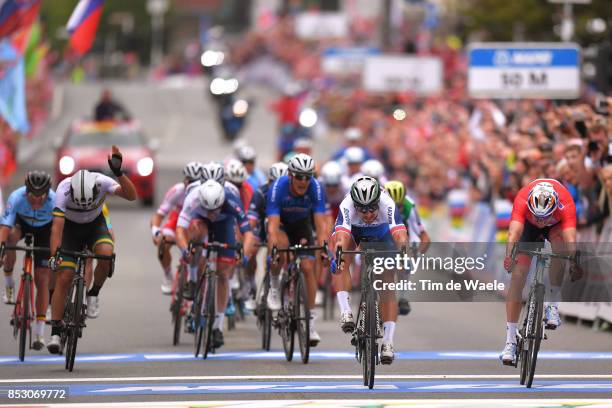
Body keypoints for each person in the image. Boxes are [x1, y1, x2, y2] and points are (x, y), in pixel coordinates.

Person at [47, 146, 137, 354]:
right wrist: (54, 256)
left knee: (106, 254)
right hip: (70, 229)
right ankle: (55, 331)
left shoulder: (102, 181)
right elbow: (57, 228)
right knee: (64, 276)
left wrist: (119, 173)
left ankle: (94, 292)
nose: (85, 204)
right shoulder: (63, 189)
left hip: (95, 226)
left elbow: (131, 196)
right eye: (81, 203)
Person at [500, 179, 580, 365]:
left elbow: (570, 238)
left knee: (560, 248)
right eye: (538, 217)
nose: (541, 222)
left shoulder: (565, 202)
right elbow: (514, 233)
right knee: (518, 276)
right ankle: (510, 341)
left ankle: (552, 304)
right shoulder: (522, 199)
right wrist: (508, 256)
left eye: (544, 217)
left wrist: (574, 261)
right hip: (527, 229)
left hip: (556, 226)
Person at [331, 176, 408, 364]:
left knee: (387, 283)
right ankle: (346, 311)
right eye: (362, 209)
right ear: (355, 204)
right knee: (342, 256)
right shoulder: (347, 204)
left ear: (377, 202)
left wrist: (403, 255)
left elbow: (399, 234)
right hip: (354, 232)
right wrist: (338, 254)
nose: (367, 214)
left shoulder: (386, 202)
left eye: (372, 208)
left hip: (382, 233)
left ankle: (388, 342)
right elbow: (341, 236)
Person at [176, 180, 255, 349]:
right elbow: (180, 230)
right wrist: (185, 250)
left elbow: (248, 234)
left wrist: (245, 256)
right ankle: (194, 273)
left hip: (224, 225)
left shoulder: (231, 199)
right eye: (208, 209)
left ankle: (217, 326)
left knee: (223, 274)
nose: (212, 213)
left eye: (215, 209)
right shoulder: (193, 198)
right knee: (198, 230)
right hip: (200, 222)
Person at [266, 153, 328, 346]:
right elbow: (272, 227)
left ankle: (310, 322)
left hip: (302, 224)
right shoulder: (278, 188)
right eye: (299, 176)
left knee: (309, 267)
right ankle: (275, 284)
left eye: (308, 177)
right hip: (282, 224)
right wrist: (274, 249)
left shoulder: (316, 188)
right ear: (291, 175)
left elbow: (321, 224)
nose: (304, 181)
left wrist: (324, 248)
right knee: (280, 250)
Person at [0, 171, 54, 350]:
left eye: (41, 196)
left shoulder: (55, 201)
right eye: (32, 195)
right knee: (10, 240)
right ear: (26, 192)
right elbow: (5, 226)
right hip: (21, 224)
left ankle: (39, 333)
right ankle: (9, 283)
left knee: (42, 278)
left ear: (48, 193)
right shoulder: (16, 197)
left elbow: (59, 230)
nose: (37, 200)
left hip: (45, 229)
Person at [150, 162, 203, 294]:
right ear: (184, 179)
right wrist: (156, 231)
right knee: (163, 241)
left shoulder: (204, 192)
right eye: (190, 180)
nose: (192, 184)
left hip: (194, 223)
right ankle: (168, 275)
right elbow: (158, 216)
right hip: (176, 221)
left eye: (196, 181)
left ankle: (193, 276)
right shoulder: (177, 191)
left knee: (198, 243)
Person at [384, 180, 431, 315]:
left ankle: (403, 297)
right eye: (393, 206)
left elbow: (425, 237)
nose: (396, 210)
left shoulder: (409, 206)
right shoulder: (377, 204)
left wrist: (417, 255)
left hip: (402, 235)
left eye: (399, 207)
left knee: (405, 260)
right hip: (382, 233)